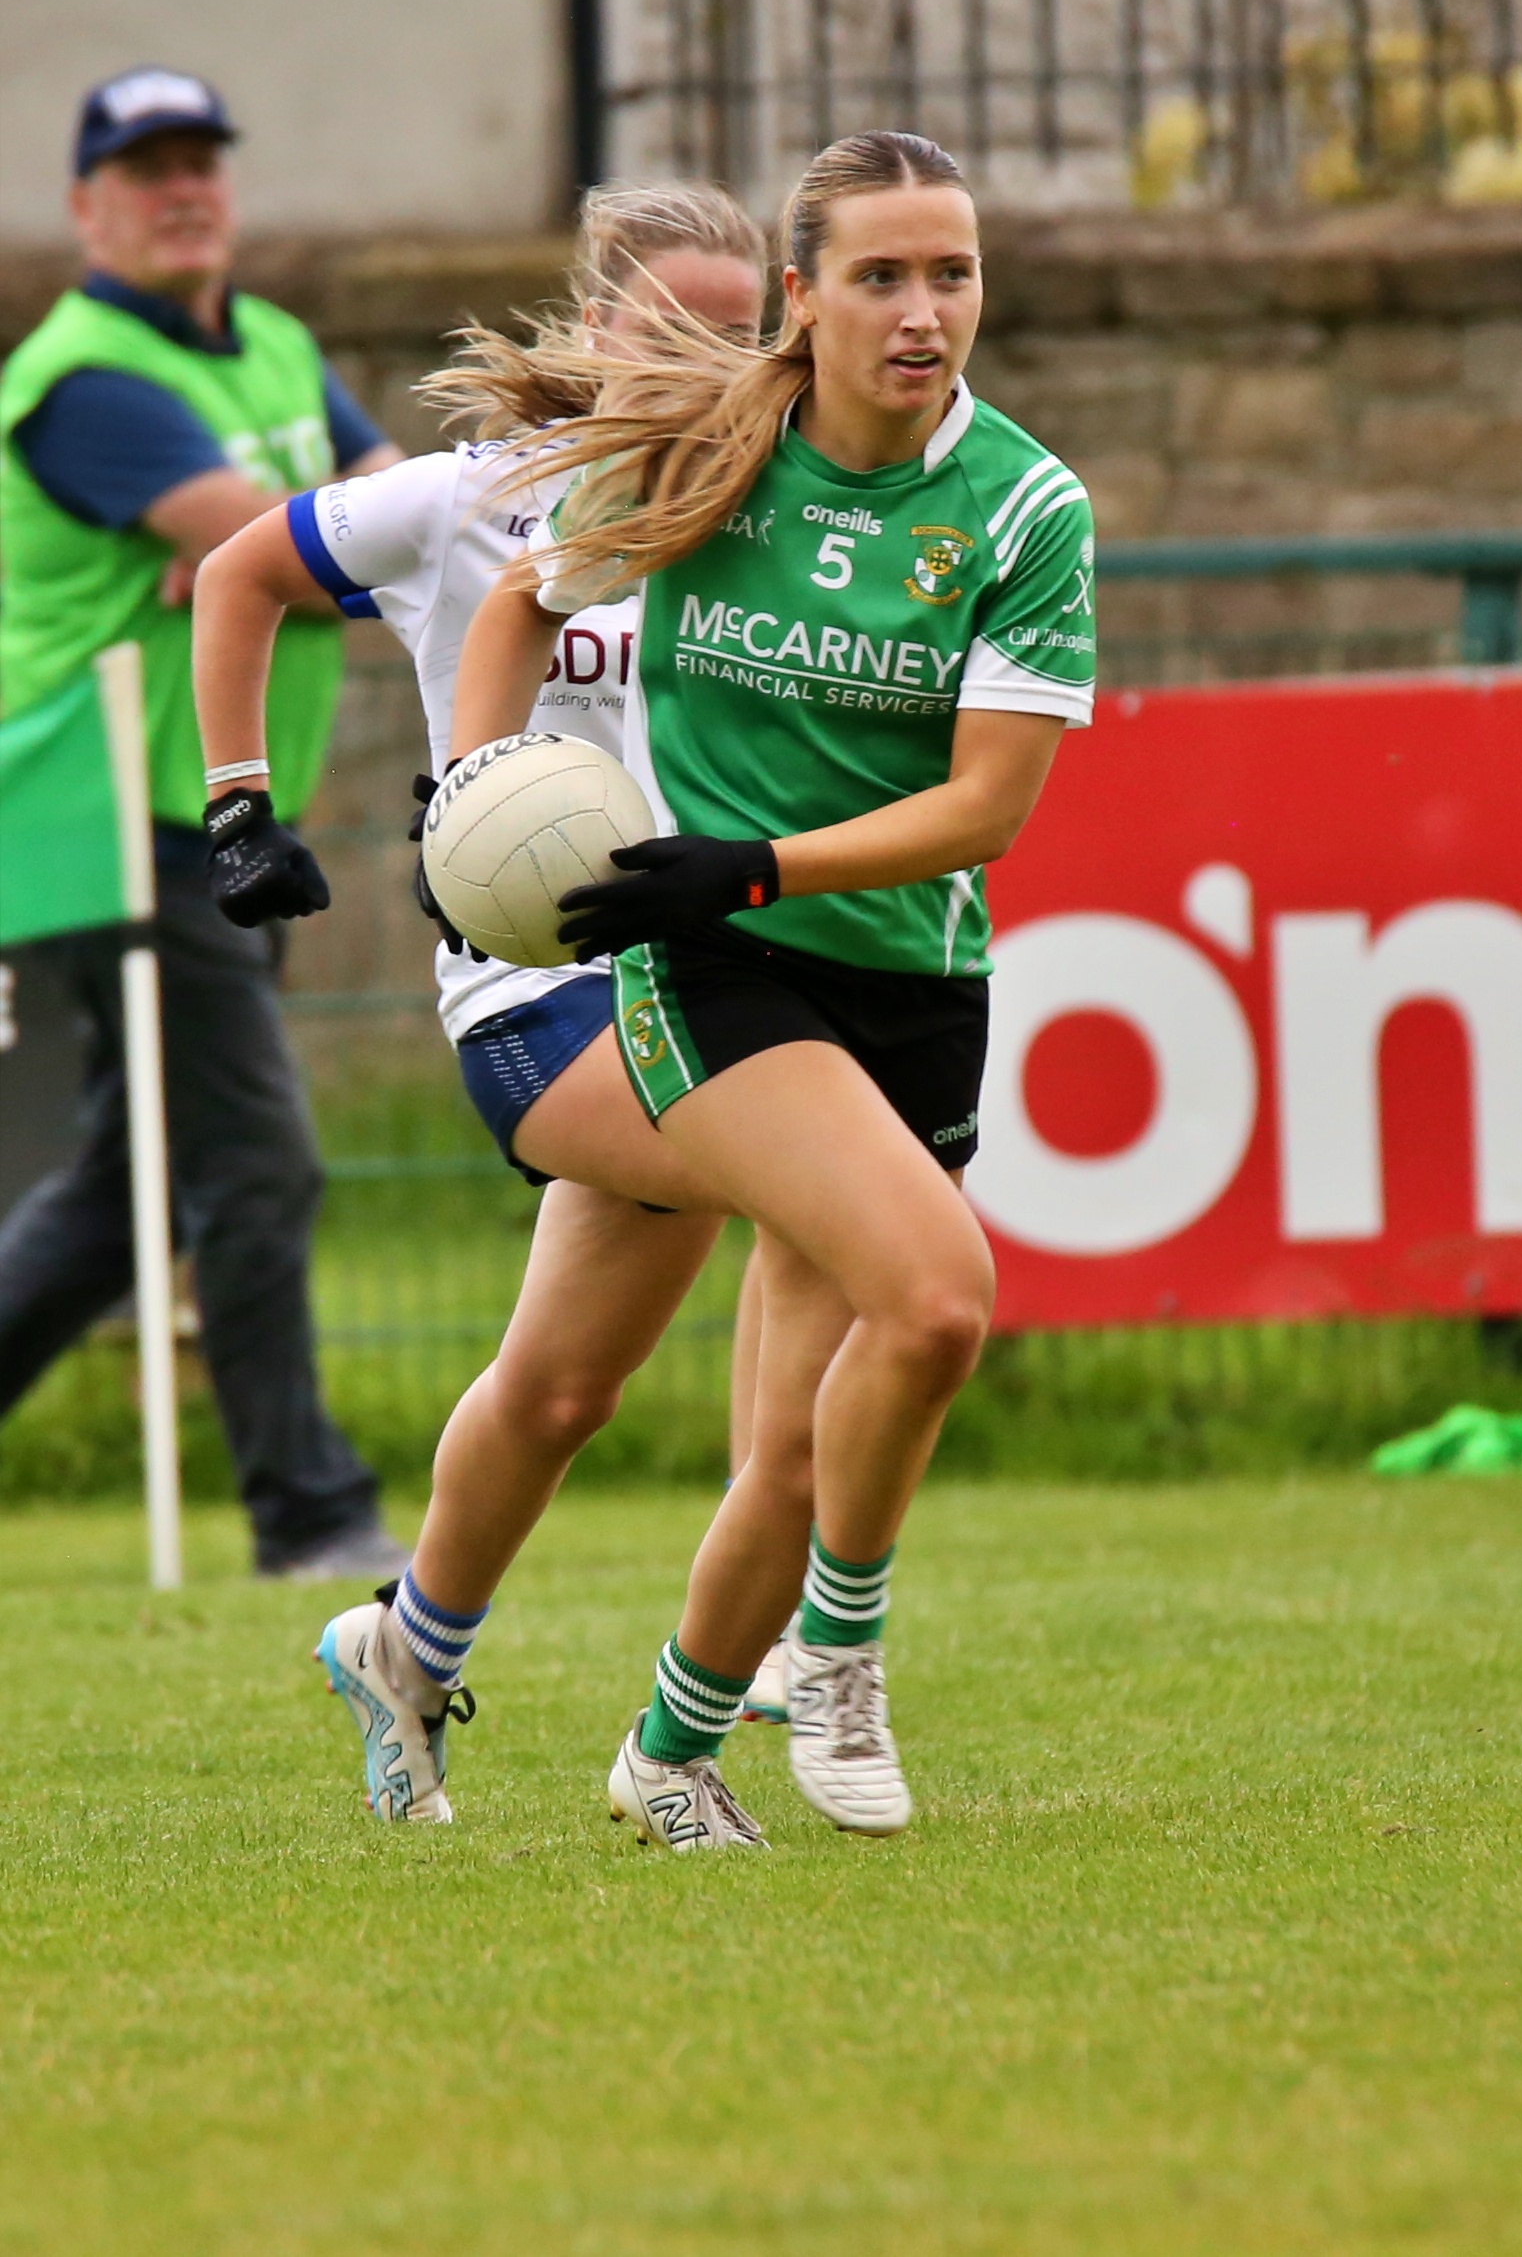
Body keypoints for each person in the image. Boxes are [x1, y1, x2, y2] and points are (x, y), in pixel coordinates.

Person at [448, 130, 1096, 1849]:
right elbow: (516, 606)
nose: (921, 311)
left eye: (951, 273)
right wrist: (469, 800)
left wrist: (751, 859)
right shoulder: (714, 450)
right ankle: (844, 1652)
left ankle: (668, 1751)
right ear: (801, 297)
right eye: (880, 276)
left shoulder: (1023, 506)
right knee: (939, 1303)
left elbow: (985, 811)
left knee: (802, 1447)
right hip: (716, 970)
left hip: (906, 980)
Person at [192, 182, 786, 1818]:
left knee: (559, 1389)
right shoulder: (471, 500)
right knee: (828, 1193)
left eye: (743, 330)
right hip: (533, 1000)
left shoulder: (769, 512)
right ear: (596, 326)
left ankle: (404, 1647)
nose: (713, 359)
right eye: (673, 325)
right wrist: (239, 808)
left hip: (697, 975)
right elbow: (236, 573)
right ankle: (781, 1639)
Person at [0, 66, 406, 1578]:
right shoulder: (84, 377)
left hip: (220, 820)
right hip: (115, 824)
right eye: (146, 168)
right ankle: (312, 1517)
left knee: (130, 1194)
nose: (183, 190)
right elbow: (327, 546)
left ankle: (304, 1507)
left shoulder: (280, 344)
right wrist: (285, 550)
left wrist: (267, 552)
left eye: (201, 162)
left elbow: (400, 523)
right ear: (85, 207)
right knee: (258, 1162)